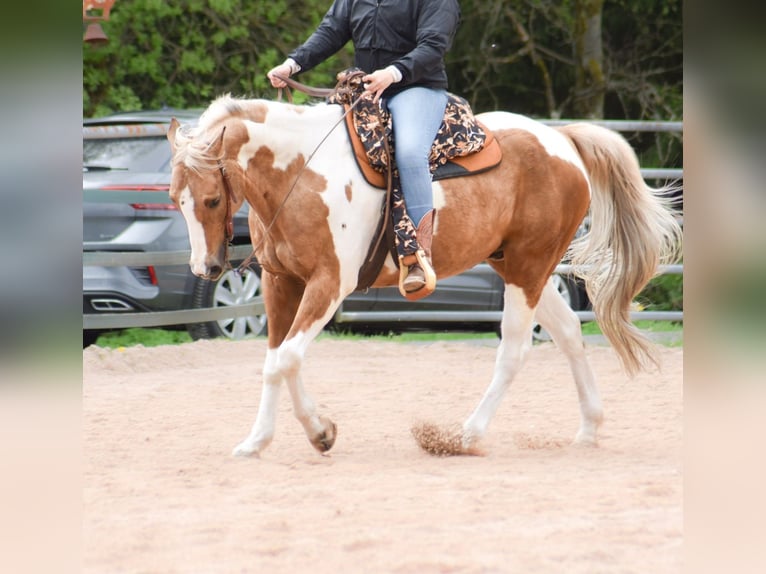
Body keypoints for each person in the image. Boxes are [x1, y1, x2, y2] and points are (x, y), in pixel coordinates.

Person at [267, 0, 461, 297]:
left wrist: (393, 72)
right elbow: (331, 31)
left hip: (416, 88)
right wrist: (292, 65)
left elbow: (434, 45)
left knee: (409, 154)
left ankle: (419, 255)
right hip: (367, 90)